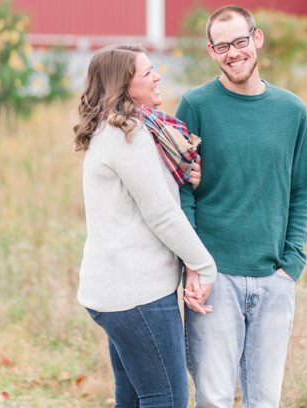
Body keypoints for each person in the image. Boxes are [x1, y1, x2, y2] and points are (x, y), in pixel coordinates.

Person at [176, 5, 307, 408]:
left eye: (239, 41)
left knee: (265, 401)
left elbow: (300, 192)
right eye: (222, 46)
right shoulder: (195, 105)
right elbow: (182, 191)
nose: (233, 52)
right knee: (214, 398)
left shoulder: (292, 111)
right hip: (214, 278)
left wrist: (291, 266)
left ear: (257, 38)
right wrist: (195, 265)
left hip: (274, 280)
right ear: (211, 50)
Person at [74, 44, 217, 408]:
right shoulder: (129, 135)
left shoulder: (113, 130)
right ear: (124, 84)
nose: (157, 77)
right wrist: (203, 264)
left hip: (119, 289)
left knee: (136, 398)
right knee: (167, 399)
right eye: (148, 72)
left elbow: (150, 196)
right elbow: (162, 213)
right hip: (136, 292)